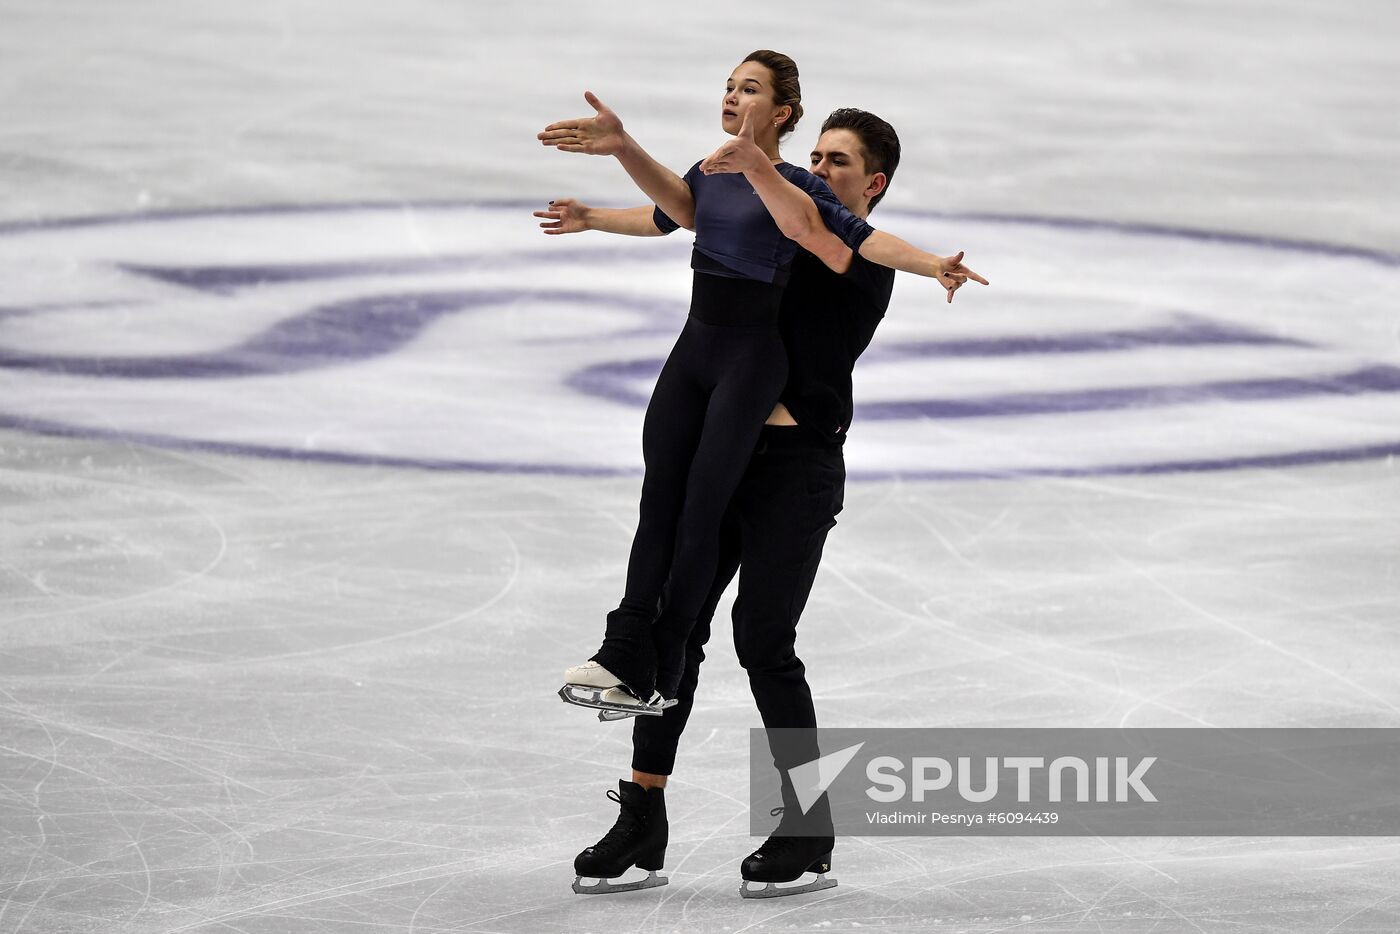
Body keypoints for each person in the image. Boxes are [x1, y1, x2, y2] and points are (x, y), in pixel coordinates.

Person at [539, 105, 961, 896]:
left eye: (840, 163)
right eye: (818, 155)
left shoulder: (855, 254)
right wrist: (606, 197)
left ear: (872, 183)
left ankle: (810, 824)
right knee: (678, 630)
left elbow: (829, 241)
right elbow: (689, 213)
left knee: (763, 641)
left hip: (797, 472)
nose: (822, 169)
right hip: (727, 455)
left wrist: (932, 259)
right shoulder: (783, 215)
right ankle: (643, 816)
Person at [539, 51, 987, 726]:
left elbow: (844, 239)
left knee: (742, 602)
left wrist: (933, 265)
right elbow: (678, 212)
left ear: (779, 111)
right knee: (661, 501)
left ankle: (670, 682)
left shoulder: (804, 203)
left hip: (778, 416)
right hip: (699, 355)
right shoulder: (728, 172)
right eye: (727, 84)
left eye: (747, 88)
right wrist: (616, 167)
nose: (730, 94)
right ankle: (629, 659)